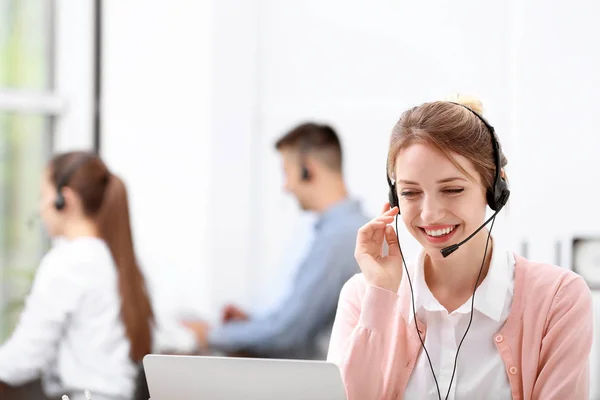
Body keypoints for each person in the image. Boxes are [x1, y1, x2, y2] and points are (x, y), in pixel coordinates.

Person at [326, 96, 593, 400]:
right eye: (411, 193)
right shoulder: (363, 296)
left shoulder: (557, 299)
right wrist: (381, 297)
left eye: (452, 189)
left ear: (494, 189)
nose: (429, 214)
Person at [183, 122, 370, 360]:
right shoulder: (346, 230)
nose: (286, 187)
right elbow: (297, 320)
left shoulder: (339, 238)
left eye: (286, 172)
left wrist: (211, 335)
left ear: (307, 170)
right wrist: (254, 323)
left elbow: (288, 333)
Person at [0, 151, 154, 400]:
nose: (40, 208)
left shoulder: (68, 261)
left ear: (64, 200)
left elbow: (27, 354)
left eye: (43, 197)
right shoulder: (116, 258)